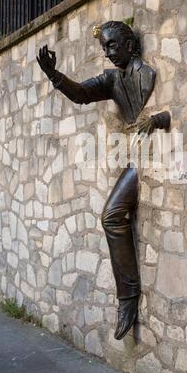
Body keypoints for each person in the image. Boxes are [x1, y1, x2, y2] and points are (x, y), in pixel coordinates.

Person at [36, 21, 171, 340]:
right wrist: (55, 76)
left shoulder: (147, 74)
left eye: (111, 46)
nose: (107, 53)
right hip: (135, 158)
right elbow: (82, 93)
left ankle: (128, 297)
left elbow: (170, 114)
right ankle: (128, 298)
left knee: (111, 216)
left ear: (129, 44)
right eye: (104, 47)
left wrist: (158, 119)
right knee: (111, 216)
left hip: (152, 158)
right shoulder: (112, 79)